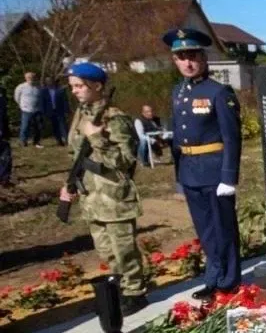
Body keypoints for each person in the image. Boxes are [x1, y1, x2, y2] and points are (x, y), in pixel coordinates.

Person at [59, 62, 148, 315]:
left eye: (79, 86)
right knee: (106, 249)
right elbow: (74, 152)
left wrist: (97, 137)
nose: (74, 91)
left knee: (123, 249)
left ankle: (135, 292)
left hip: (113, 195)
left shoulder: (115, 117)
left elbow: (126, 160)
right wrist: (70, 183)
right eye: (72, 86)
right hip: (91, 195)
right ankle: (119, 286)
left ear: (97, 86)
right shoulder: (81, 113)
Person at [162, 28, 242, 301]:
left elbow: (231, 137)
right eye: (181, 57)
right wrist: (179, 178)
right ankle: (212, 277)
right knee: (205, 230)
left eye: (192, 56)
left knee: (223, 228)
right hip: (190, 171)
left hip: (215, 171)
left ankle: (229, 280)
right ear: (175, 61)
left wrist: (229, 177)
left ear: (203, 57)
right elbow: (177, 138)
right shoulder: (177, 93)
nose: (187, 62)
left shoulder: (219, 92)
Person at [14, 71, 43, 147]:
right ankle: (23, 141)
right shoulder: (21, 87)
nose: (31, 78)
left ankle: (36, 142)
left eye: (32, 77)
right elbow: (17, 97)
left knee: (38, 127)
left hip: (37, 110)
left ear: (35, 78)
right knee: (25, 126)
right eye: (29, 77)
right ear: (25, 78)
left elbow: (41, 98)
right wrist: (22, 105)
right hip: (26, 110)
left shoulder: (39, 87)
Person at [42, 77, 69, 146]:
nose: (49, 82)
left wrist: (66, 110)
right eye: (47, 81)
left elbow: (65, 101)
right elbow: (42, 102)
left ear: (53, 81)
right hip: (50, 111)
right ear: (46, 82)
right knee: (55, 127)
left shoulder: (60, 90)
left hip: (60, 111)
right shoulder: (44, 91)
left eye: (50, 81)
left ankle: (67, 140)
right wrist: (44, 112)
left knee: (63, 126)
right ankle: (59, 141)